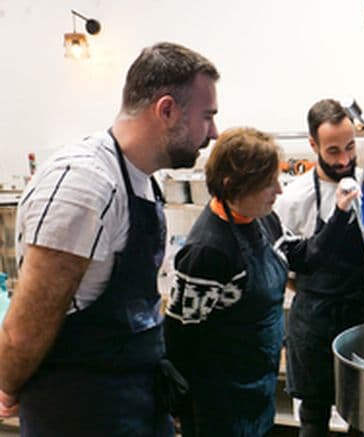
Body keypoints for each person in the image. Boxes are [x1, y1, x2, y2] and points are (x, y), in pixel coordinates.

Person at [0, 42, 219, 436]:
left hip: (133, 399)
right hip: (81, 414)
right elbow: (25, 328)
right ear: (167, 110)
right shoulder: (84, 184)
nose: (214, 132)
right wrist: (7, 383)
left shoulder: (142, 181)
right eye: (207, 117)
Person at [163, 127, 360, 436]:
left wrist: (339, 213)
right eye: (268, 184)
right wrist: (180, 410)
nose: (279, 192)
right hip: (219, 403)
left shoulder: (260, 219)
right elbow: (179, 338)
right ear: (232, 186)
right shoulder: (208, 252)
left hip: (256, 386)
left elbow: (304, 257)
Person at [274, 98, 364, 436]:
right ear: (312, 145)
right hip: (313, 319)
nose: (345, 159)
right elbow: (285, 268)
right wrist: (313, 292)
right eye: (333, 151)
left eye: (350, 147)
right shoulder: (294, 198)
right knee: (313, 418)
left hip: (358, 309)